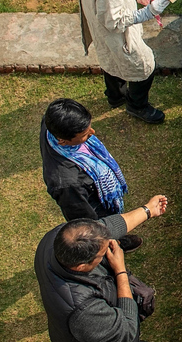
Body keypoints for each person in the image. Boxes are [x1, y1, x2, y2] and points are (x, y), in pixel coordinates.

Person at [34, 198, 171, 342]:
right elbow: (127, 328)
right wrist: (120, 271)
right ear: (81, 267)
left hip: (102, 324)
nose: (110, 247)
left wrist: (148, 210)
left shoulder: (58, 238)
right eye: (102, 253)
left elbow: (106, 228)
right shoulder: (83, 310)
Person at [40, 98, 142, 253]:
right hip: (93, 208)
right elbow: (87, 223)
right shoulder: (67, 184)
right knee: (100, 230)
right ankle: (115, 244)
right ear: (62, 140)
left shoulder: (51, 123)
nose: (93, 133)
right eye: (84, 134)